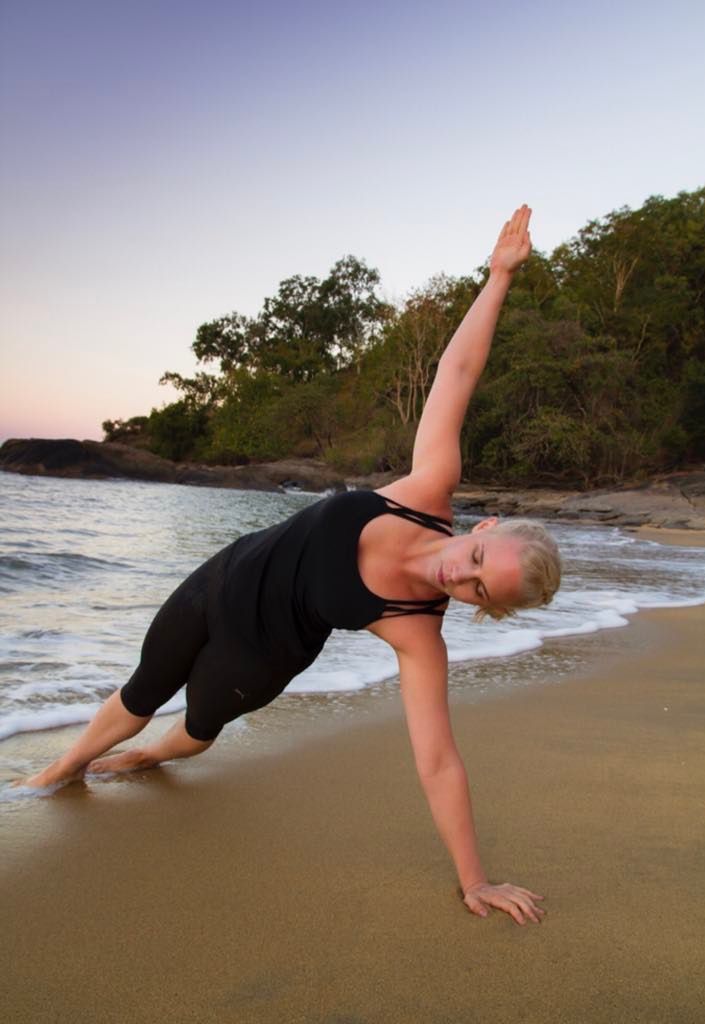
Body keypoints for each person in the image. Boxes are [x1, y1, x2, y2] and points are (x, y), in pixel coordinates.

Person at [17, 205, 560, 926]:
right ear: (482, 528)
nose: (460, 576)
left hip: (261, 654)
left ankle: (146, 760)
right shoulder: (427, 489)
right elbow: (456, 371)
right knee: (143, 688)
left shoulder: (416, 633)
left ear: (482, 608)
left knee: (190, 734)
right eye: (478, 557)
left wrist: (475, 881)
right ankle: (60, 769)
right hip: (224, 575)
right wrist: (497, 278)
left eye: (480, 590)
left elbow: (438, 761)